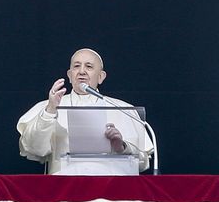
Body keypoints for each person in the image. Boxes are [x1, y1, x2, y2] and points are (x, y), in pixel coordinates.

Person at [17, 48, 153, 174]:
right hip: (64, 190)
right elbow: (33, 148)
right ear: (70, 75)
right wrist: (50, 111)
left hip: (111, 189)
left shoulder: (123, 109)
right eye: (76, 66)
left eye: (89, 66)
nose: (82, 71)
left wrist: (121, 147)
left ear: (101, 76)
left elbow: (142, 163)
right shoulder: (49, 107)